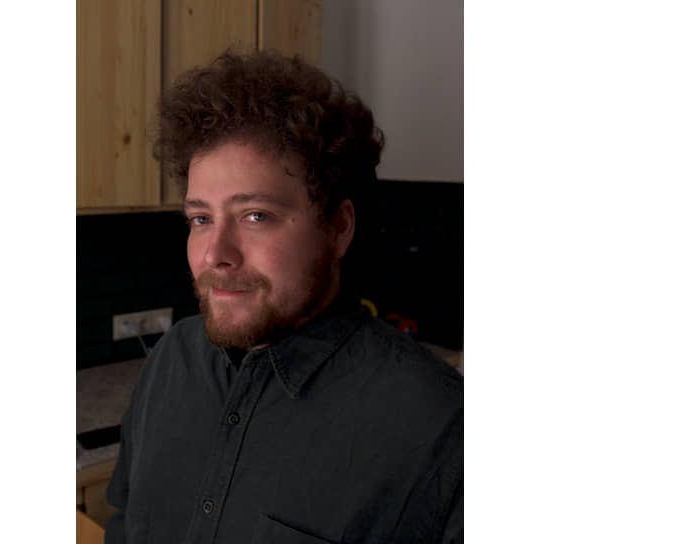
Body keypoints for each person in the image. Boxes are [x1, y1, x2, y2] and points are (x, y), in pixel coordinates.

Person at [104, 50, 462, 544]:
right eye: (200, 219)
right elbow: (126, 525)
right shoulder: (171, 360)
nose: (215, 255)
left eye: (255, 216)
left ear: (337, 227)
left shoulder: (441, 428)